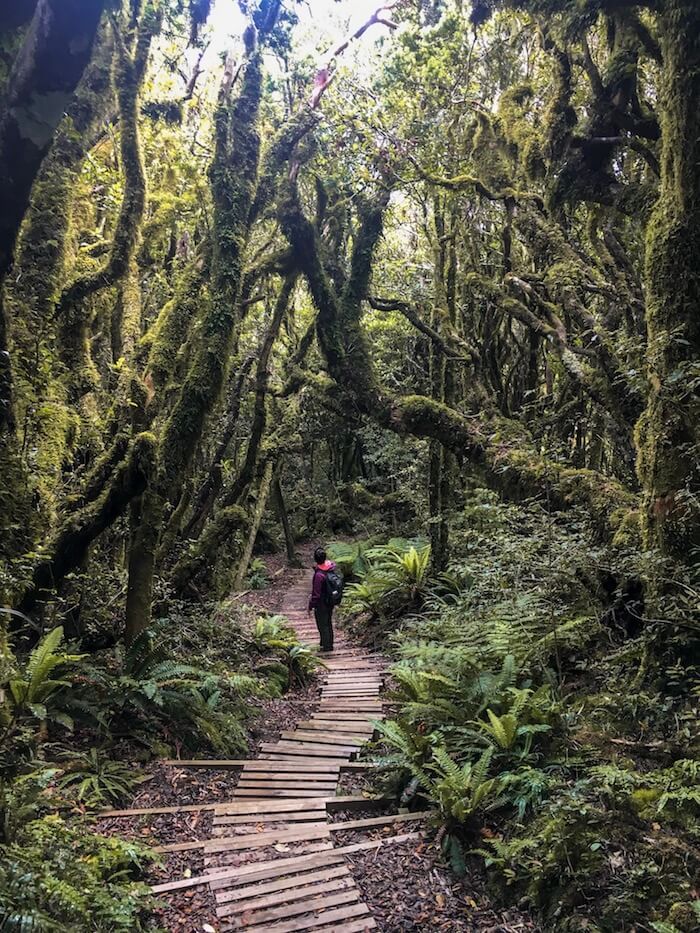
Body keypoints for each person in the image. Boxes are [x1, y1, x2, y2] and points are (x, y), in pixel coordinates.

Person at [308, 546, 336, 652]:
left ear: (315, 559)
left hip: (321, 603)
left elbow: (316, 594)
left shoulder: (319, 575)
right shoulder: (330, 568)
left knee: (322, 624)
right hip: (330, 601)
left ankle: (326, 646)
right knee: (328, 622)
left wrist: (311, 605)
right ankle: (328, 643)